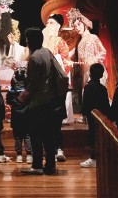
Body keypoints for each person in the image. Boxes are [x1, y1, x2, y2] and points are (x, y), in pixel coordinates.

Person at [20, 27, 66, 176]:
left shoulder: (34, 58)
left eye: (27, 40)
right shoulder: (46, 52)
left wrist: (23, 96)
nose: (26, 42)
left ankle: (37, 165)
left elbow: (34, 84)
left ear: (30, 41)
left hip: (38, 101)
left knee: (35, 135)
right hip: (50, 100)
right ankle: (50, 165)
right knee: (48, 135)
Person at [68, 7, 108, 113]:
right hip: (85, 71)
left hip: (95, 70)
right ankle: (88, 116)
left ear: (85, 24)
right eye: (75, 26)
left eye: (79, 24)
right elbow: (69, 54)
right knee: (87, 95)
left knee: (97, 95)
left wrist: (94, 60)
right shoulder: (79, 42)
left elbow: (103, 51)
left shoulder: (93, 37)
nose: (77, 27)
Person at [43, 13, 70, 161]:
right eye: (47, 23)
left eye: (51, 23)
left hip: (56, 86)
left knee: (56, 124)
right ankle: (49, 150)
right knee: (46, 123)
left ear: (58, 26)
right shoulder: (41, 42)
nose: (48, 25)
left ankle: (59, 149)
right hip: (44, 88)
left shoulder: (60, 41)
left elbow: (66, 61)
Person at [80, 63, 110, 168]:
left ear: (90, 74)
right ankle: (101, 157)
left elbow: (86, 102)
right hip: (101, 116)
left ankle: (93, 158)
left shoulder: (88, 87)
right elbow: (106, 104)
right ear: (101, 75)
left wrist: (84, 114)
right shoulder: (103, 88)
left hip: (91, 116)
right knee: (100, 136)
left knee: (92, 136)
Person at [6, 68, 32, 163]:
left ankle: (19, 156)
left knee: (17, 136)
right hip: (27, 115)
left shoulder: (12, 90)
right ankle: (29, 155)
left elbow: (9, 101)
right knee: (28, 135)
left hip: (16, 116)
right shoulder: (28, 89)